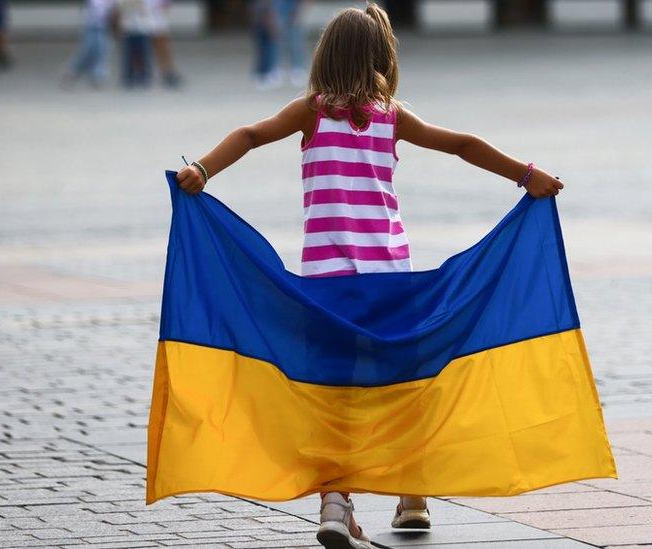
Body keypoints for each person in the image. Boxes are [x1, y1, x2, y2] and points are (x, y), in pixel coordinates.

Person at [174, 5, 563, 548]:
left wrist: (203, 170)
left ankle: (335, 503)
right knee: (401, 383)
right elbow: (462, 143)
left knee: (333, 389)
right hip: (390, 281)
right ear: (382, 58)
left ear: (325, 56)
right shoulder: (390, 116)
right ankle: (411, 495)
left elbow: (250, 133)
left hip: (327, 286)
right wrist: (526, 174)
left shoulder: (311, 112)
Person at [63, 0, 114, 87]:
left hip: (103, 27)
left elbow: (114, 10)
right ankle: (73, 72)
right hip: (90, 26)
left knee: (101, 50)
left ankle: (97, 76)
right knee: (87, 50)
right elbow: (96, 9)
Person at [114, 0, 153, 88]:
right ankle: (128, 76)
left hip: (142, 29)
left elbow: (146, 10)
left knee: (143, 54)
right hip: (128, 30)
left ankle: (144, 75)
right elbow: (119, 10)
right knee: (128, 55)